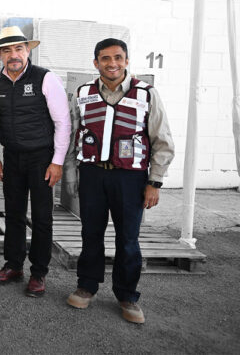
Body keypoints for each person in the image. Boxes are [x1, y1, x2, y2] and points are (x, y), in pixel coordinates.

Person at [66, 38, 174, 324]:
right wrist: (69, 174)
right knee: (91, 233)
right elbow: (70, 135)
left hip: (131, 178)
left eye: (117, 57)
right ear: (96, 62)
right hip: (92, 174)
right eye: (105, 58)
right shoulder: (83, 93)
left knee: (128, 238)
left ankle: (127, 295)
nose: (111, 63)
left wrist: (155, 182)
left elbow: (162, 141)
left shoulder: (146, 94)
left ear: (126, 60)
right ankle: (87, 286)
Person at [0, 26, 71, 297]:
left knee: (42, 217)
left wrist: (57, 162)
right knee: (13, 214)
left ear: (28, 50)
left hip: (41, 158)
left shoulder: (46, 79)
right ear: (0, 55)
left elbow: (63, 123)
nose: (13, 55)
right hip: (12, 157)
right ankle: (13, 265)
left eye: (19, 48)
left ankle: (38, 273)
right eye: (7, 50)